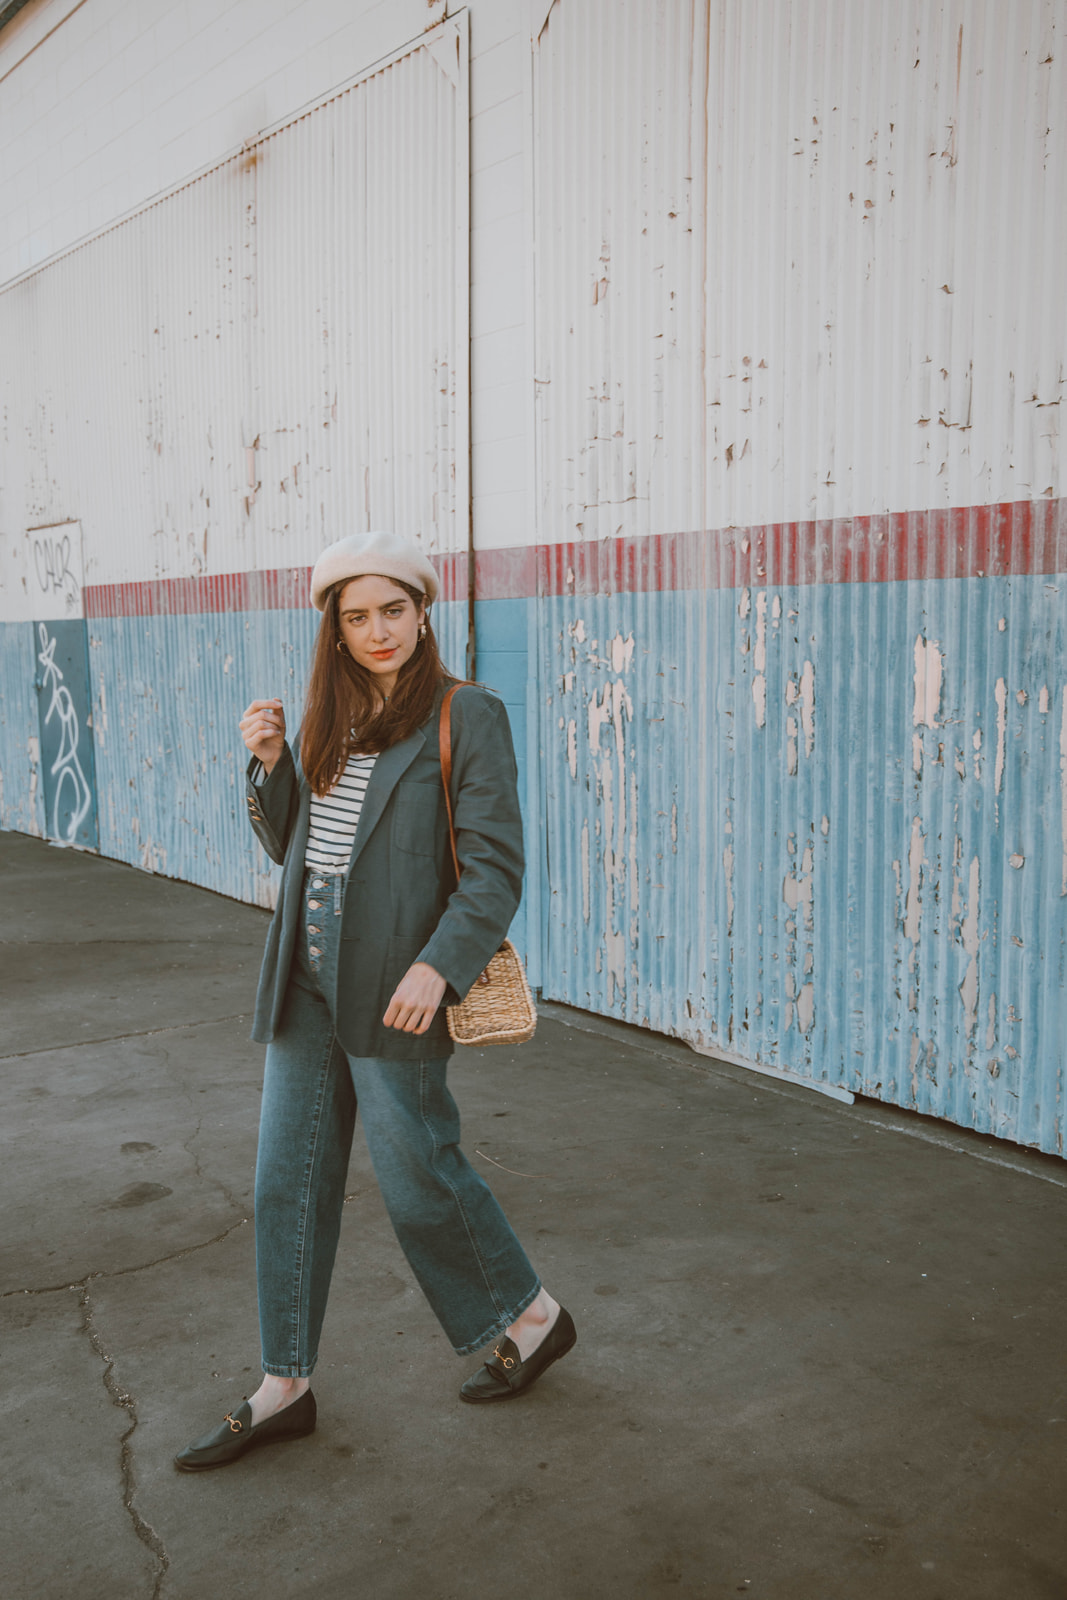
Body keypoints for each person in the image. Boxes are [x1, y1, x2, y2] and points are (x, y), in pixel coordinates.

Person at [175, 530, 575, 1472]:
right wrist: (272, 764)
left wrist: (442, 965)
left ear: (422, 610)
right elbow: (296, 850)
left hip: (398, 987)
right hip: (306, 983)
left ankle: (533, 1315)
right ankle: (284, 1385)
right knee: (285, 1180)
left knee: (419, 1176)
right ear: (335, 629)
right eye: (355, 617)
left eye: (391, 610)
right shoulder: (334, 713)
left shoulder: (464, 713)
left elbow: (495, 869)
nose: (376, 630)